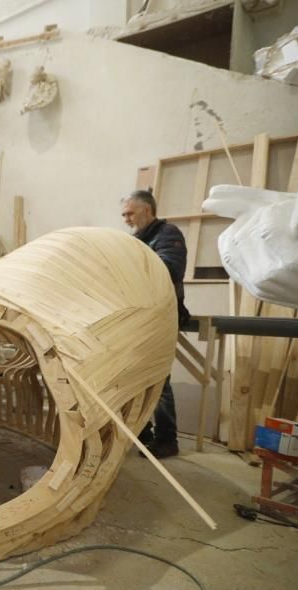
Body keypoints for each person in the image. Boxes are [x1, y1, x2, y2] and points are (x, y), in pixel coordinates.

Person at [121, 189, 190, 459]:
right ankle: (142, 433)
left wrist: (129, 266)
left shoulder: (168, 235)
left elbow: (169, 269)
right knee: (135, 379)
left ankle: (166, 439)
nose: (126, 218)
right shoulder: (137, 241)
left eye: (130, 213)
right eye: (124, 214)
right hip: (140, 317)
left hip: (161, 315)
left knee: (159, 380)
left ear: (146, 211)